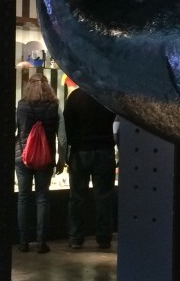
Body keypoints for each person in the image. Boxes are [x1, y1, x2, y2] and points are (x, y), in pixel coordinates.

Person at [61, 81, 116, 249]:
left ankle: (76, 237)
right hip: (104, 150)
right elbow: (114, 119)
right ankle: (104, 238)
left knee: (77, 197)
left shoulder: (74, 97)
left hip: (80, 151)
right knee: (104, 197)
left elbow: (67, 126)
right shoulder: (106, 97)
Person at [15, 74, 59, 254]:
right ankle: (41, 242)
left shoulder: (22, 105)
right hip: (44, 158)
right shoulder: (53, 106)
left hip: (22, 157)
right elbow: (57, 133)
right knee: (42, 198)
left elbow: (17, 129)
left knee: (23, 198)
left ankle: (23, 242)